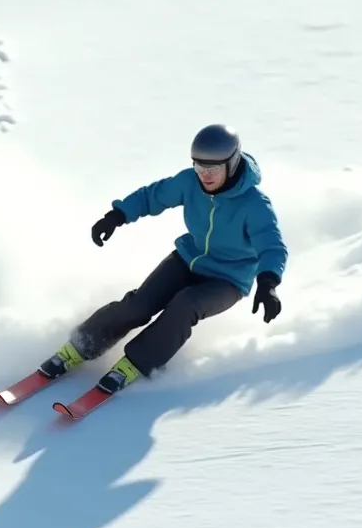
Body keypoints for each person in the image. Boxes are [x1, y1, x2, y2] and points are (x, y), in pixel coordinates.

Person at [37, 124, 287, 394]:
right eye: (199, 167)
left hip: (228, 280)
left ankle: (135, 364)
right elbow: (152, 196)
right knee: (139, 305)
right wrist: (118, 215)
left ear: (233, 161)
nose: (205, 175)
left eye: (213, 168)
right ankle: (79, 346)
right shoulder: (190, 182)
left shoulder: (255, 205)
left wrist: (268, 282)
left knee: (184, 305)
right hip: (187, 259)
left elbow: (272, 246)